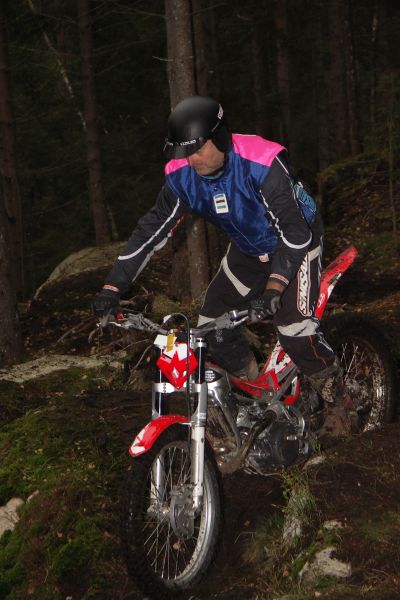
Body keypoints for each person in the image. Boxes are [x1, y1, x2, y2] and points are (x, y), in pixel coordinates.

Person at [93, 95, 355, 437]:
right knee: (211, 328)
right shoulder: (182, 176)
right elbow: (150, 231)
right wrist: (112, 286)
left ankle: (340, 404)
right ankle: (252, 397)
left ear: (220, 137)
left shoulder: (262, 162)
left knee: (293, 327)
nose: (192, 159)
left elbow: (294, 232)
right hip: (248, 250)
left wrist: (275, 287)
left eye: (197, 149)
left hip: (295, 243)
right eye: (184, 151)